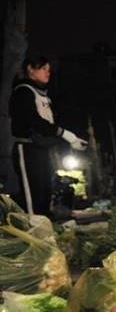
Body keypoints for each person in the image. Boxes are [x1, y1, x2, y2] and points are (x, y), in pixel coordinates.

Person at [8, 55, 87, 216]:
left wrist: (70, 138)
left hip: (41, 149)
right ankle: (33, 232)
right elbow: (34, 121)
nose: (47, 73)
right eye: (43, 68)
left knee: (45, 190)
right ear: (30, 69)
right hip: (27, 148)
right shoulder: (23, 91)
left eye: (49, 70)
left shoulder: (42, 94)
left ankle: (47, 231)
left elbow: (48, 125)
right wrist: (65, 134)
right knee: (33, 194)